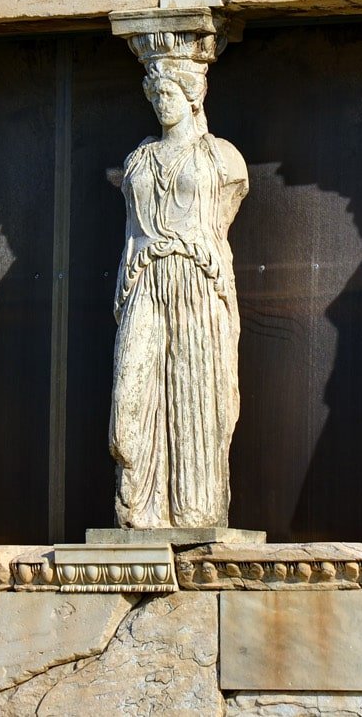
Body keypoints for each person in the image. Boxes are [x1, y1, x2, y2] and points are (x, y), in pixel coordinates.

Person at [111, 51, 249, 529]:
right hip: (146, 278)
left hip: (197, 279)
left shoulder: (222, 157)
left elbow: (223, 216)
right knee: (131, 396)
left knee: (197, 390)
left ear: (193, 98)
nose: (161, 103)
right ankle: (140, 505)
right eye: (156, 94)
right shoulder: (139, 160)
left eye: (170, 93)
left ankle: (196, 509)